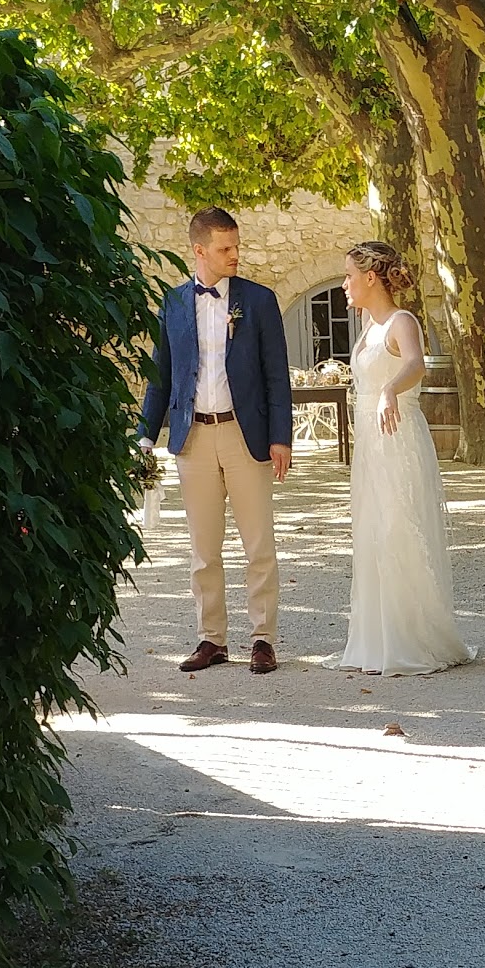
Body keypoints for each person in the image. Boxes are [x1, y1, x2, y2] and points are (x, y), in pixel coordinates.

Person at [140, 207, 293, 675]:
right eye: (225, 248)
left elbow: (276, 375)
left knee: (258, 544)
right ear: (199, 250)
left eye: (237, 246)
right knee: (203, 549)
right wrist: (144, 435)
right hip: (193, 438)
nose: (235, 255)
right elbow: (161, 374)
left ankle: (263, 639)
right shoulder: (173, 303)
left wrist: (280, 437)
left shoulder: (259, 301)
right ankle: (212, 639)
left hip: (246, 435)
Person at [340, 241, 473, 676]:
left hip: (397, 438)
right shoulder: (367, 326)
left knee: (398, 528)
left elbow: (416, 363)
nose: (344, 284)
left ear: (370, 278)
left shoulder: (402, 322)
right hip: (369, 442)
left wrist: (389, 389)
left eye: (349, 276)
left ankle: (411, 639)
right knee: (371, 530)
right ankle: (375, 642)